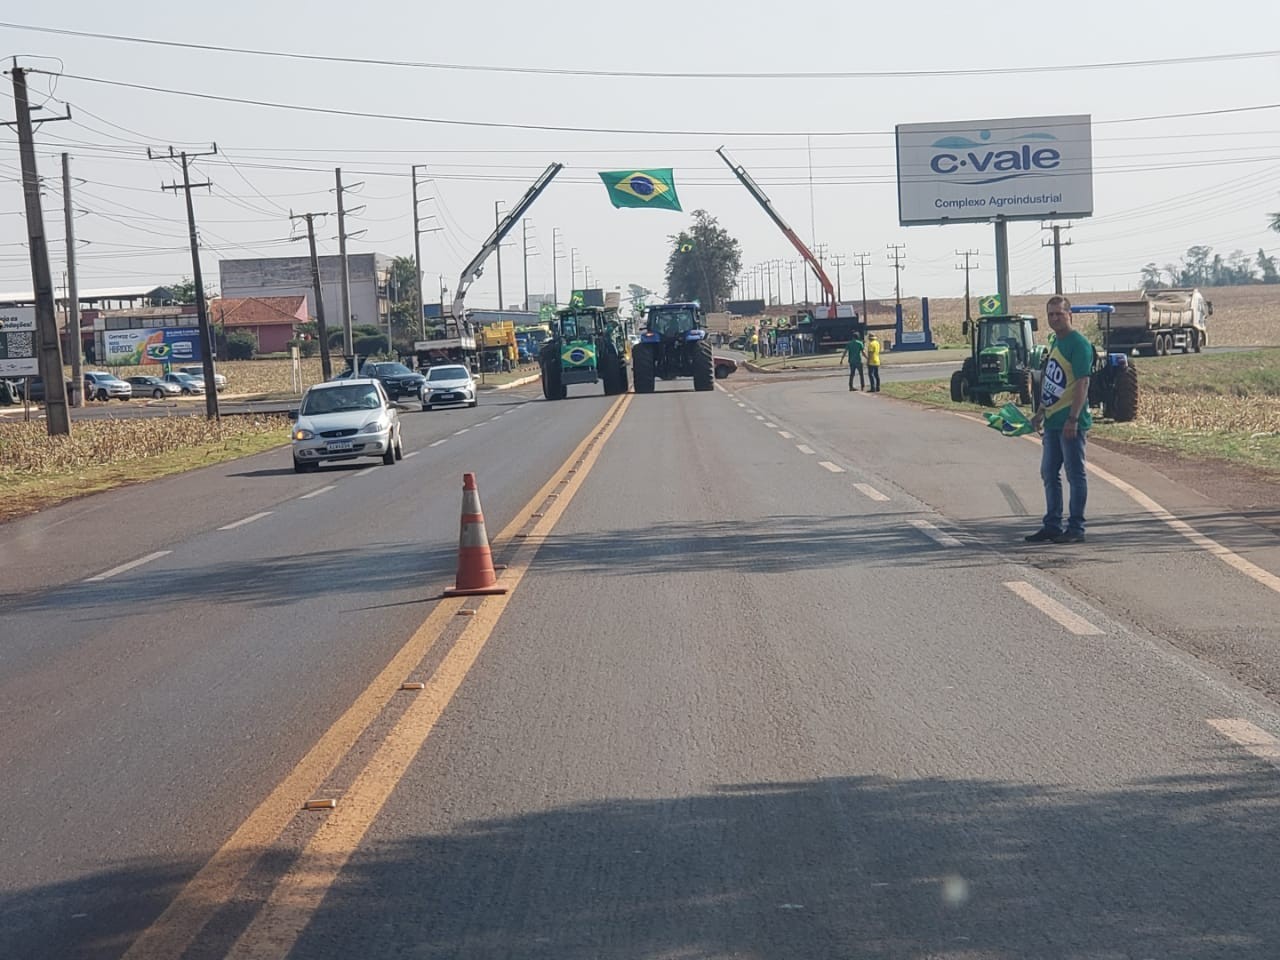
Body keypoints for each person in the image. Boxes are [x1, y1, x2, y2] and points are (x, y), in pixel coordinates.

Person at [1025, 295, 1093, 544]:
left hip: (1070, 423)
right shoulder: (1055, 342)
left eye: (1059, 314)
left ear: (1070, 315)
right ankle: (1052, 524)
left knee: (1075, 475)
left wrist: (1073, 418)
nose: (1054, 318)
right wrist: (1041, 412)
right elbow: (1052, 383)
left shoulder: (1079, 344)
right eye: (1050, 314)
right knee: (1048, 473)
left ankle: (1076, 528)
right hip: (1053, 421)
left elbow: (1083, 382)